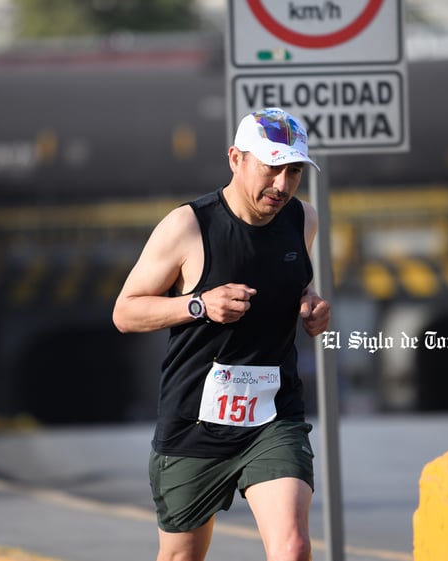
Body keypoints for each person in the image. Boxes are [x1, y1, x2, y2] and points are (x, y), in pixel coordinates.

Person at [113, 107, 331, 561]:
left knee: (293, 546)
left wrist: (308, 301)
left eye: (294, 172)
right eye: (272, 168)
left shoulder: (303, 219)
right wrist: (199, 304)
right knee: (181, 557)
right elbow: (125, 312)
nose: (282, 185)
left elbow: (294, 280)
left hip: (273, 416)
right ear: (236, 159)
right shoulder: (188, 226)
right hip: (195, 423)